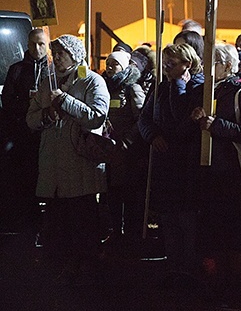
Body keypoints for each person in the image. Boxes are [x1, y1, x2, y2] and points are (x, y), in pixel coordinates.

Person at [25, 34, 110, 285]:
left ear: (75, 54)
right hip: (53, 166)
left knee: (82, 220)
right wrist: (47, 115)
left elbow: (96, 116)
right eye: (55, 51)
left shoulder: (93, 81)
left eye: (61, 51)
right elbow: (30, 119)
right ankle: (58, 268)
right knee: (56, 223)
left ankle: (88, 269)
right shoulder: (46, 82)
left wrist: (64, 100)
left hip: (79, 164)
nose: (57, 56)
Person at [190, 43, 241, 283]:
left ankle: (236, 277)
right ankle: (215, 277)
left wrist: (217, 125)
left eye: (214, 63)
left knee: (233, 226)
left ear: (228, 66)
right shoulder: (204, 89)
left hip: (232, 171)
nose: (206, 68)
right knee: (211, 224)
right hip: (208, 170)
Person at [138, 43, 204, 284]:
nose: (166, 68)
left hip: (185, 160)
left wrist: (178, 84)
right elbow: (144, 118)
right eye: (165, 63)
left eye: (172, 64)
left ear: (187, 63)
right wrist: (152, 135)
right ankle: (172, 263)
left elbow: (180, 116)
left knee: (185, 216)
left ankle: (188, 265)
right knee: (168, 215)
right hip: (164, 159)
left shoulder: (197, 87)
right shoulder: (159, 88)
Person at [2, 28, 50, 231]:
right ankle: (26, 216)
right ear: (27, 45)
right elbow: (7, 100)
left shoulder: (53, 69)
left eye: (41, 44)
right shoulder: (17, 69)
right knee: (25, 174)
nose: (37, 48)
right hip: (23, 131)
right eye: (33, 44)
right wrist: (28, 107)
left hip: (47, 132)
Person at [101, 51, 146, 242]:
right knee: (110, 191)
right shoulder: (103, 86)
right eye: (108, 63)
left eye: (115, 64)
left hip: (126, 152)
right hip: (107, 149)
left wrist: (128, 140)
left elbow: (142, 118)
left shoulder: (132, 88)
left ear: (124, 67)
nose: (110, 68)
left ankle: (130, 232)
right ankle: (114, 229)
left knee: (127, 192)